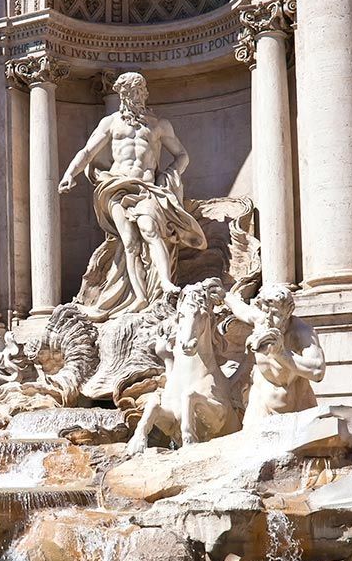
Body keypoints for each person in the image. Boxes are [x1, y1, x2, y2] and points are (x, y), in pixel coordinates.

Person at [59, 72, 206, 321]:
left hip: (146, 187)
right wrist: (69, 174)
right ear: (121, 94)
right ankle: (139, 296)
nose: (135, 96)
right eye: (129, 92)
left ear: (145, 93)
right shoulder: (110, 123)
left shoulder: (159, 125)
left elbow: (182, 155)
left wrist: (169, 174)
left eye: (139, 91)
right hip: (116, 186)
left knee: (149, 229)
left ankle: (166, 284)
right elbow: (87, 151)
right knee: (129, 241)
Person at [226, 284, 326, 421]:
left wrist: (281, 353)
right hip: (260, 404)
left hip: (297, 407)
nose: (268, 318)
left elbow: (317, 371)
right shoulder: (261, 320)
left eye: (275, 314)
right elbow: (241, 309)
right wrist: (223, 295)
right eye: (265, 311)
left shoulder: (302, 332)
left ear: (288, 311)